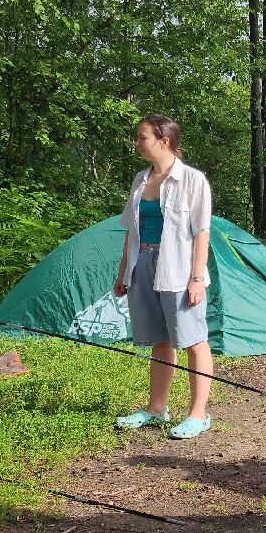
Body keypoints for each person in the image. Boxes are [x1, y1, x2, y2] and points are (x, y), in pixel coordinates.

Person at [112, 115, 214, 440]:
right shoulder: (141, 180)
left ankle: (198, 415)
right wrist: (123, 272)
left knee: (194, 341)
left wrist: (196, 278)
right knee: (160, 339)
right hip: (143, 264)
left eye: (142, 138)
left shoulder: (193, 180)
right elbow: (132, 230)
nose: (137, 144)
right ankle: (156, 409)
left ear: (164, 140)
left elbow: (201, 233)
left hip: (179, 269)